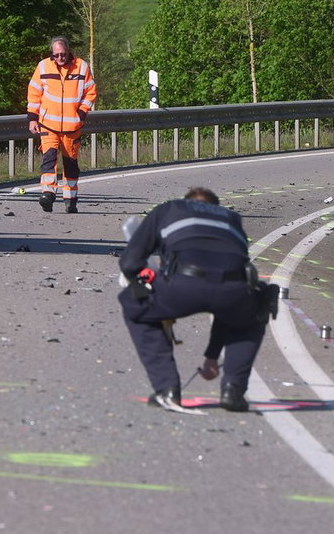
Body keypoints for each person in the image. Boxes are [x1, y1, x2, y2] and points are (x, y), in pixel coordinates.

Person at [119, 187, 274, 412]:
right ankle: (233, 390)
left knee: (135, 306)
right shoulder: (232, 219)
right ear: (215, 207)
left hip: (183, 284)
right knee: (250, 317)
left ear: (188, 201)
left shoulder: (168, 209)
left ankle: (167, 388)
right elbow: (222, 298)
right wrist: (212, 357)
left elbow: (130, 262)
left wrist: (142, 284)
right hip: (233, 290)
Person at [26, 36, 96, 214]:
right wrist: (32, 118)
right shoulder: (43, 66)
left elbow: (91, 92)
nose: (60, 58)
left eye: (63, 54)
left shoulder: (81, 67)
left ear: (68, 52)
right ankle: (47, 194)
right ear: (52, 53)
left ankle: (70, 199)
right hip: (48, 125)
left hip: (72, 127)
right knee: (49, 159)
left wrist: (81, 113)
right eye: (56, 55)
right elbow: (34, 93)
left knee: (70, 164)